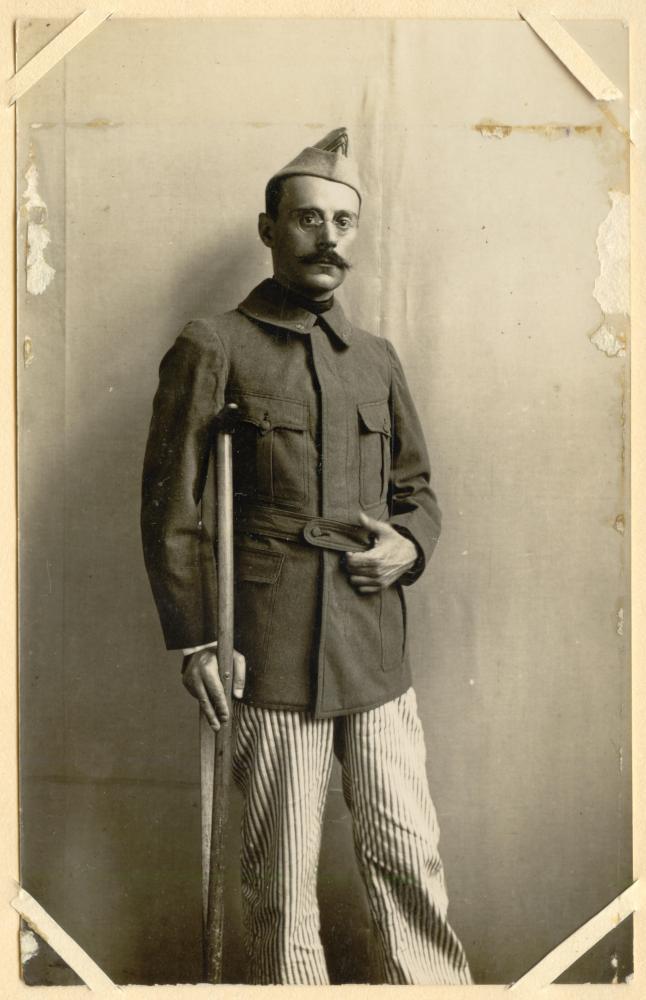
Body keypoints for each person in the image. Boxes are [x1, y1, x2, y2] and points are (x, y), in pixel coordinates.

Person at [141, 128, 471, 986]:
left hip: (375, 653)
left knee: (412, 869)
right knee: (282, 894)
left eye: (344, 223)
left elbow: (419, 492)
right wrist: (196, 639)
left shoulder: (377, 360)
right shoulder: (216, 344)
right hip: (267, 648)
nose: (329, 238)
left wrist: (409, 545)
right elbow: (172, 507)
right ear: (269, 228)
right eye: (309, 219)